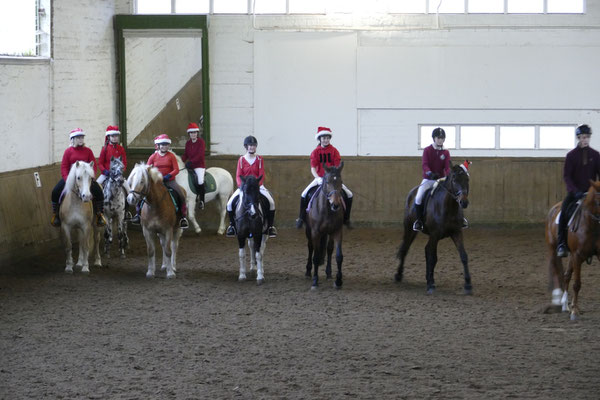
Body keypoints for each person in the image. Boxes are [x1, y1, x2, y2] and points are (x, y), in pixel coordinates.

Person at [295, 126, 353, 229]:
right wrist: (317, 178)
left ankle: (346, 219)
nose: (326, 140)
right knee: (304, 194)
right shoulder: (315, 152)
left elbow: (336, 167)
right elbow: (313, 168)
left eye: (327, 138)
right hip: (320, 178)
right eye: (323, 138)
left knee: (349, 194)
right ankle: (301, 218)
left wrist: (333, 177)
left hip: (332, 180)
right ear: (320, 139)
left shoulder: (334, 151)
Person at [556, 124, 600, 257]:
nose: (585, 140)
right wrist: (574, 191)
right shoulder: (571, 156)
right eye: (582, 137)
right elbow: (567, 176)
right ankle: (562, 243)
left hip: (592, 193)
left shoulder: (596, 155)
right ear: (578, 138)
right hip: (575, 193)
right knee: (564, 212)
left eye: (587, 137)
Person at [129, 134, 189, 229]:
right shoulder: (153, 157)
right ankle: (138, 215)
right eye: (162, 144)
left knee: (181, 194)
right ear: (158, 146)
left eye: (166, 144)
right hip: (155, 182)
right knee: (142, 193)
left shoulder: (171, 156)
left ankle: (182, 217)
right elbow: (146, 170)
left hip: (169, 181)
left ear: (168, 146)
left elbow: (176, 169)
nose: (164, 146)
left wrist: (168, 176)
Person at [50, 128, 106, 227]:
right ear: (73, 139)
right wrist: (67, 179)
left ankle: (99, 215)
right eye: (78, 138)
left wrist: (92, 176)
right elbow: (64, 167)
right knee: (55, 192)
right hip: (71, 179)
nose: (81, 139)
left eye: (82, 137)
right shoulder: (68, 152)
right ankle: (56, 215)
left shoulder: (88, 151)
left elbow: (93, 165)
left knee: (98, 191)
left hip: (85, 179)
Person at [225, 135, 277, 238]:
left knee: (271, 202)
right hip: (245, 188)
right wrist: (242, 187)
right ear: (246, 146)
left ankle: (270, 227)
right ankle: (232, 226)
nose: (252, 147)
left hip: (258, 186)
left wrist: (257, 185)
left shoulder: (259, 159)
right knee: (230, 204)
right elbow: (238, 175)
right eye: (250, 145)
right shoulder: (241, 160)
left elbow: (261, 174)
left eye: (253, 145)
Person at [413, 127, 452, 232]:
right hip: (429, 180)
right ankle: (419, 221)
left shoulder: (446, 152)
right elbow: (425, 165)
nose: (440, 140)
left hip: (441, 180)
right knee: (418, 197)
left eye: (442, 138)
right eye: (438, 138)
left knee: (453, 194)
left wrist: (449, 175)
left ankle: (459, 219)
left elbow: (447, 167)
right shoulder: (427, 150)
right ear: (434, 138)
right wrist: (430, 173)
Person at [181, 122, 206, 209]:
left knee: (200, 181)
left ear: (197, 133)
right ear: (189, 134)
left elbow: (200, 155)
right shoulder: (188, 143)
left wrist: (190, 162)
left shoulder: (201, 142)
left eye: (195, 132)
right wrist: (181, 160)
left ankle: (202, 200)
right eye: (191, 133)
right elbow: (185, 155)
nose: (193, 134)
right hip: (190, 166)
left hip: (199, 166)